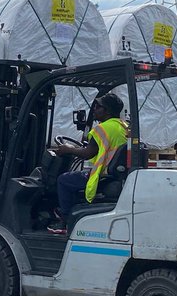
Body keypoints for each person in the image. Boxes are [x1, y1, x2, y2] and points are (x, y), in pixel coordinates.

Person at [49, 93, 129, 233]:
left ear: (107, 111)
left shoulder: (101, 129)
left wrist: (69, 149)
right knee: (73, 179)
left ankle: (65, 221)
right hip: (116, 174)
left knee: (64, 180)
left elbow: (87, 154)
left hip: (101, 175)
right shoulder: (123, 126)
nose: (95, 109)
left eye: (98, 107)